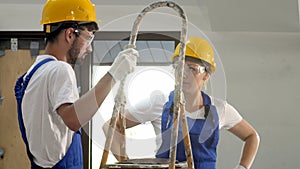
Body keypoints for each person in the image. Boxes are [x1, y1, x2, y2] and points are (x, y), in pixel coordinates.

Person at [14, 0, 139, 168]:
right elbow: (73, 119)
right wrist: (113, 74)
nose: (89, 49)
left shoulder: (33, 74)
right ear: (70, 34)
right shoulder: (60, 69)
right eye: (89, 38)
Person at [104, 37, 260, 169]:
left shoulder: (220, 109)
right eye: (179, 67)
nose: (184, 74)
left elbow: (252, 136)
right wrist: (126, 162)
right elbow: (110, 125)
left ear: (206, 75)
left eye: (192, 69)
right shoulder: (159, 103)